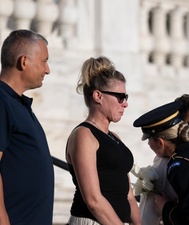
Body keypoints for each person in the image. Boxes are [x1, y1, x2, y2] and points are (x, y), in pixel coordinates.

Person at [65, 56, 141, 225]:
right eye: (120, 97)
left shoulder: (115, 138)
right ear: (98, 96)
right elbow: (93, 200)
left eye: (126, 97)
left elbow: (128, 195)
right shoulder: (83, 135)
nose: (125, 104)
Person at [0, 29, 54, 225]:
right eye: (44, 61)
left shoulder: (17, 103)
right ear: (24, 62)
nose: (47, 70)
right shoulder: (2, 101)